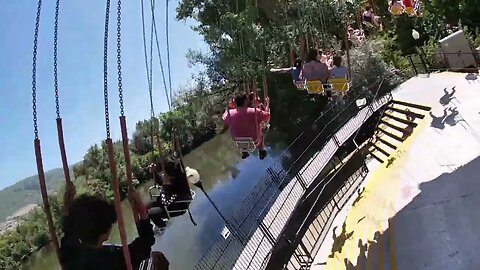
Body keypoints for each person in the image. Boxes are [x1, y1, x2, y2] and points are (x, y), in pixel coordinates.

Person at [60, 181, 166, 270]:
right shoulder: (117, 260)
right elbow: (147, 240)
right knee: (158, 259)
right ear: (105, 234)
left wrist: (68, 208)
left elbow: (69, 231)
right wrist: (141, 209)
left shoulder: (71, 257)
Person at [147, 154, 193, 229]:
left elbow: (169, 198)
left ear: (170, 174)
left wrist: (166, 185)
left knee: (151, 214)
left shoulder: (179, 183)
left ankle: (163, 227)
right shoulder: (172, 178)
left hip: (174, 206)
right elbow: (161, 182)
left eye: (164, 172)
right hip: (167, 201)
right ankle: (150, 223)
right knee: (145, 206)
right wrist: (153, 172)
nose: (162, 174)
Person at [222, 94, 270, 160]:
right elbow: (267, 116)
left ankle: (244, 152)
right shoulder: (253, 111)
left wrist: (229, 107)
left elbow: (224, 118)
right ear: (245, 101)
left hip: (239, 142)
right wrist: (267, 105)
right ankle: (261, 151)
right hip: (254, 141)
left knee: (241, 131)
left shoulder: (229, 113)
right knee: (260, 133)